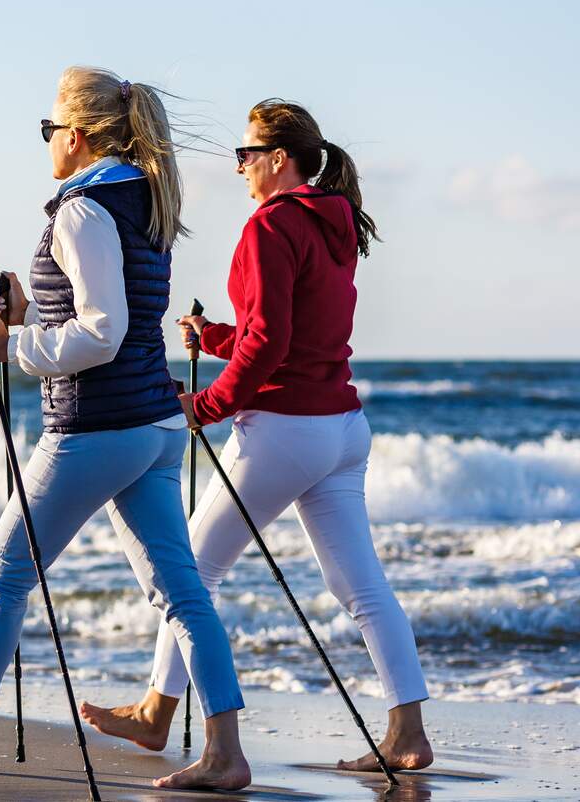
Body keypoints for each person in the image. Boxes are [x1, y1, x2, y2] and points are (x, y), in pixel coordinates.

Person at [0, 66, 251, 791]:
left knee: (3, 574)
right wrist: (27, 315)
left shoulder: (82, 208)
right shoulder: (145, 198)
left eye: (49, 129)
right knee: (181, 592)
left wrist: (10, 348)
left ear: (76, 137)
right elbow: (113, 316)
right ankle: (226, 751)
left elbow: (104, 332)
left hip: (96, 428)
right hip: (152, 424)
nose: (46, 142)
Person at [79, 99, 435, 773]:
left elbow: (271, 342)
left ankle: (161, 714)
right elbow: (288, 334)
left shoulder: (270, 226)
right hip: (341, 429)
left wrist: (206, 405)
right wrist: (213, 337)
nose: (239, 167)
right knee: (362, 591)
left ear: (278, 160)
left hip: (282, 430)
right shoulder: (335, 222)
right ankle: (408, 734)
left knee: (190, 571)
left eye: (246, 155)